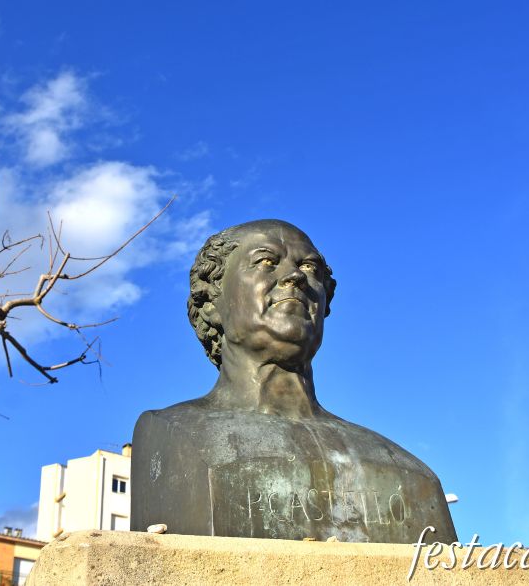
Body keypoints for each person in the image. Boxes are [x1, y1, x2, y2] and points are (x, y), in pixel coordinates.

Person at [130, 220, 457, 542]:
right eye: (265, 262)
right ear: (213, 304)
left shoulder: (403, 468)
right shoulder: (172, 433)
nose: (296, 276)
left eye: (310, 267)